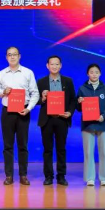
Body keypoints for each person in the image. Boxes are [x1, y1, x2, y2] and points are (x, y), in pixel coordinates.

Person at [0, 46, 39, 185]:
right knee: (8, 145)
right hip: (7, 112)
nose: (12, 57)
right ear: (6, 57)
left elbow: (35, 93)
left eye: (14, 54)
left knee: (23, 145)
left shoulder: (28, 73)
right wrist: (3, 92)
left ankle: (23, 175)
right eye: (9, 55)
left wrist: (29, 108)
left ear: (19, 56)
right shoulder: (2, 73)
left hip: (23, 112)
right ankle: (9, 176)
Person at [36, 56, 76, 186]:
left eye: (57, 64)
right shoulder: (41, 82)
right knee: (47, 149)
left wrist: (69, 112)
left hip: (62, 119)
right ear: (47, 66)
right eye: (52, 64)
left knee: (61, 149)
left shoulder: (67, 81)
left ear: (61, 66)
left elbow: (73, 100)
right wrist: (42, 98)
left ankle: (61, 176)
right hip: (46, 120)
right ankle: (48, 176)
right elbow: (35, 100)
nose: (54, 66)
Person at [76, 64, 105, 186]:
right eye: (91, 72)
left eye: (96, 72)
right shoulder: (82, 89)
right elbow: (78, 108)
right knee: (88, 152)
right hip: (87, 125)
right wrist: (79, 102)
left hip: (103, 124)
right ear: (87, 74)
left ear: (100, 74)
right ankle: (90, 178)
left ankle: (104, 178)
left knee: (104, 152)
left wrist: (103, 116)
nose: (94, 74)